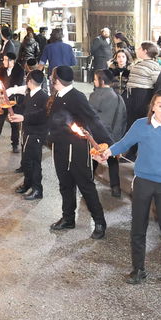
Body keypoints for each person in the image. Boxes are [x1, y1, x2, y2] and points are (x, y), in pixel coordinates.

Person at [104, 90, 161, 289]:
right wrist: (107, 152)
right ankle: (138, 268)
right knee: (138, 227)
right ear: (153, 106)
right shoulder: (140, 125)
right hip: (143, 181)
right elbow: (124, 143)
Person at [44, 65, 114, 240]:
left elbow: (93, 119)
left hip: (77, 150)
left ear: (56, 80)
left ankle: (99, 222)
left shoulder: (76, 96)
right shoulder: (57, 95)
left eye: (53, 77)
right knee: (65, 185)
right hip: (59, 148)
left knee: (86, 186)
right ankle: (68, 218)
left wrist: (109, 144)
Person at [88, 69, 128, 197]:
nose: (94, 82)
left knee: (93, 159)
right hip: (111, 137)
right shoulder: (118, 98)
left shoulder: (94, 96)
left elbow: (89, 118)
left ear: (102, 81)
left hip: (96, 136)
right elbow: (122, 119)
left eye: (95, 79)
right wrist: (117, 139)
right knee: (112, 161)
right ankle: (115, 188)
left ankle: (88, 183)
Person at [11, 69, 48, 201]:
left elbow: (41, 115)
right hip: (27, 132)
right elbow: (23, 107)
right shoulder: (30, 94)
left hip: (36, 134)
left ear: (30, 81)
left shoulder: (44, 97)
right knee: (26, 160)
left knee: (34, 162)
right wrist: (13, 110)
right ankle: (27, 184)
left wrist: (23, 117)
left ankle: (37, 189)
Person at [126, 41, 161, 121]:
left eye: (140, 48)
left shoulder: (154, 65)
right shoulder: (139, 63)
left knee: (139, 118)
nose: (137, 50)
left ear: (145, 51)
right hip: (132, 94)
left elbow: (157, 83)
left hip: (143, 95)